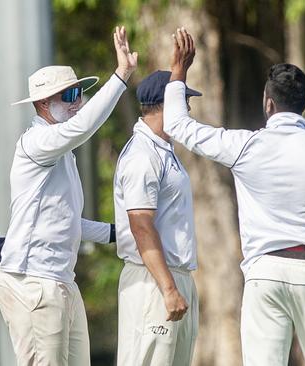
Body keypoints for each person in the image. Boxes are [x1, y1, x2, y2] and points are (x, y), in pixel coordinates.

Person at [164, 29, 305, 366]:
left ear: (268, 102)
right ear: (302, 103)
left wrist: (178, 71)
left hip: (265, 273)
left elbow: (179, 125)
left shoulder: (246, 146)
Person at [0, 26, 138, 366]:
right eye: (70, 96)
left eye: (80, 94)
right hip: (34, 282)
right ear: (44, 104)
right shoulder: (36, 142)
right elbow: (83, 126)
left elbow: (64, 220)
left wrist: (118, 232)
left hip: (61, 282)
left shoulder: (62, 154)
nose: (78, 103)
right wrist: (120, 76)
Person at [113, 70, 202, 365]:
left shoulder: (164, 151)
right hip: (153, 283)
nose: (187, 110)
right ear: (166, 104)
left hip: (175, 277)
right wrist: (168, 288)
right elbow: (141, 224)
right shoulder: (142, 155)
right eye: (183, 101)